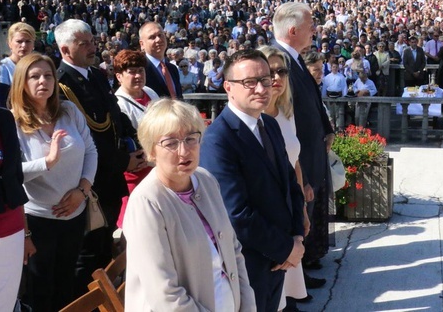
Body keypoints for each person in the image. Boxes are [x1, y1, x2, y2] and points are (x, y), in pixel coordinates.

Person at [123, 99, 255, 311]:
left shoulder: (206, 180)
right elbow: (164, 294)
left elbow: (233, 250)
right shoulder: (146, 202)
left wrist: (248, 306)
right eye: (171, 143)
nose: (184, 151)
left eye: (191, 138)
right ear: (151, 151)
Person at [199, 50, 306, 312]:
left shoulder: (269, 125)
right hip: (249, 262)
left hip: (280, 255)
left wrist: (297, 237)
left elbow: (289, 183)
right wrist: (285, 249)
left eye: (266, 80)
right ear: (228, 87)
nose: (261, 88)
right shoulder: (217, 140)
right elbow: (237, 213)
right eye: (249, 82)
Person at [54, 19, 138, 292]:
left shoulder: (97, 76)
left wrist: (137, 143)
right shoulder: (61, 84)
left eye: (92, 41)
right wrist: (123, 161)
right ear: (66, 50)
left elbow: (114, 118)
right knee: (87, 257)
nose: (93, 47)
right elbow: (81, 138)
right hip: (88, 184)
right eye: (85, 43)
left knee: (104, 253)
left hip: (109, 182)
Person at [11, 53, 98, 311]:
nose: (43, 81)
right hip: (37, 220)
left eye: (48, 75)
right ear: (21, 83)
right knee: (40, 290)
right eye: (34, 76)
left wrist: (82, 191)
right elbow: (12, 173)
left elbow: (91, 151)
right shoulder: (12, 122)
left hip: (75, 213)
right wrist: (47, 162)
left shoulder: (69, 111)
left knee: (66, 284)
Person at [271, 3, 334, 277]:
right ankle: (298, 277)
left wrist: (326, 126)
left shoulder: (295, 57)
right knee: (300, 217)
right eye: (310, 26)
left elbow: (311, 101)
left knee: (309, 214)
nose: (314, 31)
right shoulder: (278, 62)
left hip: (311, 150)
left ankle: (305, 267)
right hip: (299, 158)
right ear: (294, 29)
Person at [260, 46, 310, 311]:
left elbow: (296, 163)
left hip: (290, 206)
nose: (277, 77)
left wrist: (302, 209)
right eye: (270, 71)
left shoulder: (285, 113)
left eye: (282, 70)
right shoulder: (255, 120)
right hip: (269, 214)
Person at [0, 48, 31, 312]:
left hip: (10, 233)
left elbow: (15, 179)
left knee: (2, 308)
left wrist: (25, 232)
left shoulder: (3, 118)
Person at [113, 50, 154, 227]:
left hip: (156, 168)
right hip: (137, 171)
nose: (138, 75)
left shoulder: (150, 92)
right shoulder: (119, 103)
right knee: (135, 222)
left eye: (141, 70)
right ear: (119, 76)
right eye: (132, 71)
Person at [0, 22, 36, 106]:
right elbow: (2, 99)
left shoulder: (37, 66)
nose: (24, 45)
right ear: (9, 43)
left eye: (28, 41)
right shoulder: (3, 67)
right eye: (19, 41)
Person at [140, 21, 183, 100]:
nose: (158, 39)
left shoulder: (172, 69)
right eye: (152, 37)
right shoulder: (140, 70)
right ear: (142, 44)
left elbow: (179, 98)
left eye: (160, 35)